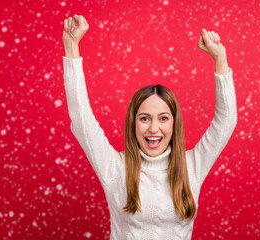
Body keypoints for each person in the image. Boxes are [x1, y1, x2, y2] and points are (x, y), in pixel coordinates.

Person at [63, 14, 237, 240]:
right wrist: (71, 45)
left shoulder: (191, 166)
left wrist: (220, 58)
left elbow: (227, 120)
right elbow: (81, 118)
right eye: (144, 118)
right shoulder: (115, 169)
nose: (154, 128)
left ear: (174, 125)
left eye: (163, 118)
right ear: (133, 124)